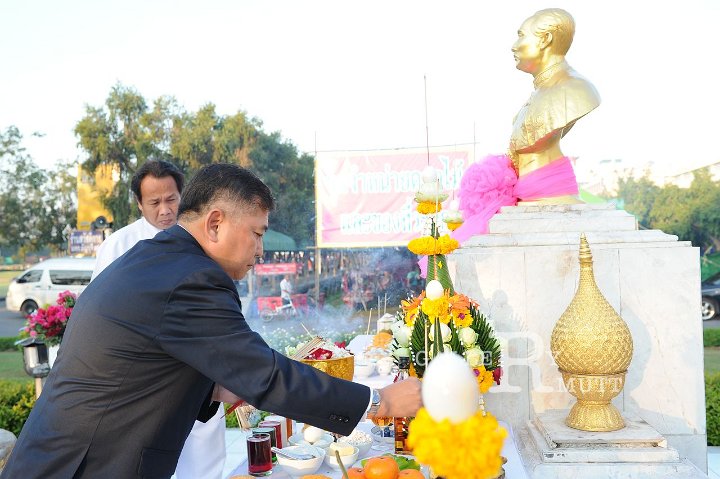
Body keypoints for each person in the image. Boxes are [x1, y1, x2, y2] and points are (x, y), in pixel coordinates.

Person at [2, 164, 422, 478]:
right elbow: (266, 375)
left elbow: (147, 362)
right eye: (257, 234)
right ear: (216, 223)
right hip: (84, 466)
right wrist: (379, 401)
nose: (261, 251)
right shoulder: (193, 278)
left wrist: (217, 386)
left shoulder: (160, 259)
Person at [89, 160, 228, 479]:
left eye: (171, 199)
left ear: (183, 196)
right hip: (144, 381)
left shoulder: (207, 241)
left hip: (197, 371)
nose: (165, 210)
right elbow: (100, 317)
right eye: (154, 202)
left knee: (203, 463)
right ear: (139, 204)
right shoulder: (118, 246)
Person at [509, 7, 601, 203]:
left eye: (521, 36)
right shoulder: (540, 92)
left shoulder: (574, 89)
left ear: (545, 39)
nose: (514, 46)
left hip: (553, 193)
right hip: (528, 196)